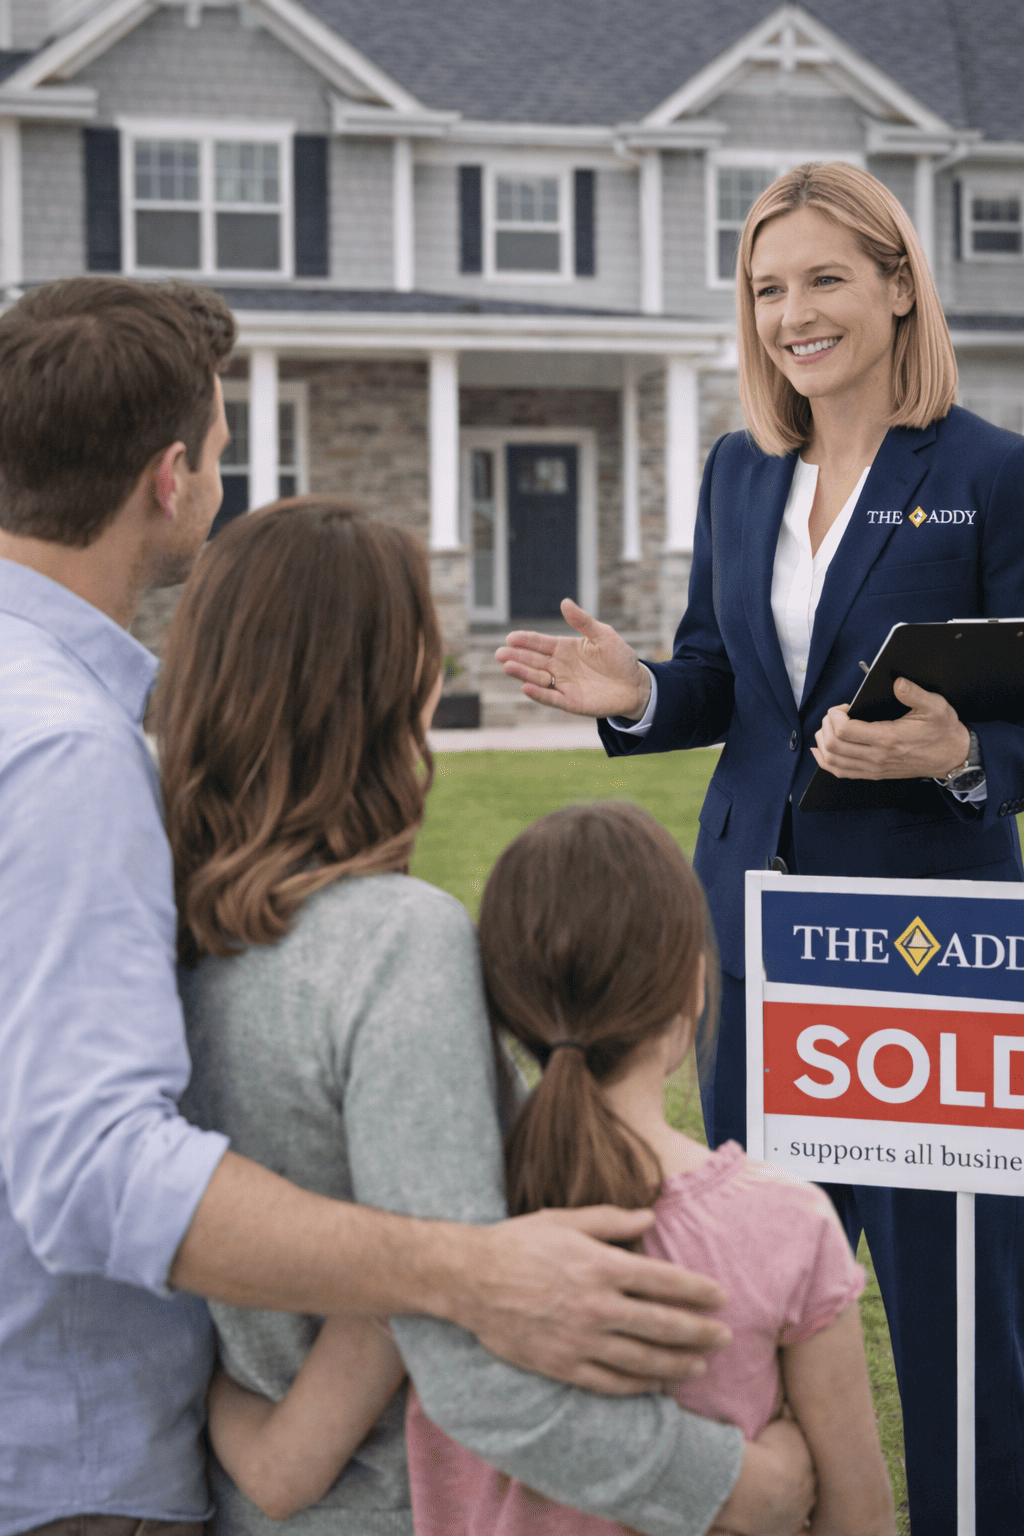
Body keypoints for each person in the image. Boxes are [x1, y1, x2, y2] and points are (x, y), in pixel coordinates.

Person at [0, 278, 809, 1536]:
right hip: (97, 1459)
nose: (223, 479)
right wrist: (735, 1484)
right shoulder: (90, 765)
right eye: (222, 452)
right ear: (171, 479)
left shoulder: (190, 891)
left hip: (205, 1461)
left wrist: (262, 1442)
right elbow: (95, 1173)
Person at [496, 161, 1024, 1536]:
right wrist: (638, 697)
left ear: (900, 286)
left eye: (826, 279)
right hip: (760, 939)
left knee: (951, 1297)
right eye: (768, 286)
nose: (795, 312)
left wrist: (956, 754)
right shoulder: (741, 470)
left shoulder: (989, 475)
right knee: (755, 1300)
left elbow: (1020, 719)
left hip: (926, 953)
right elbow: (719, 676)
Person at [163, 498, 816, 1536]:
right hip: (395, 1505)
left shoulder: (168, 921)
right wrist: (737, 1486)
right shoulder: (392, 944)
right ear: (383, 680)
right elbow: (476, 1352)